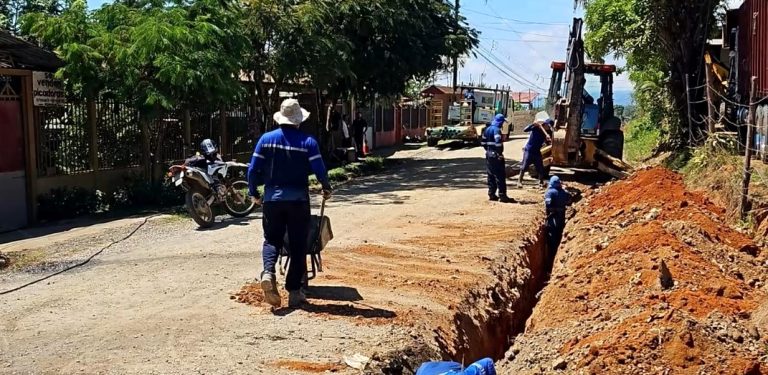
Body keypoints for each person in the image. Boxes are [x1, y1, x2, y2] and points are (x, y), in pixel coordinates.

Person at [248, 98, 332, 309]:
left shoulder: (265, 140)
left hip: (272, 201)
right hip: (298, 201)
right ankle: (294, 292)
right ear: (298, 121)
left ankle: (268, 273)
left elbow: (252, 170)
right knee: (297, 246)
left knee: (272, 240)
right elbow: (320, 169)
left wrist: (253, 193)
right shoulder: (308, 142)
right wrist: (326, 186)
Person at [482, 114, 513, 203]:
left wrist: (488, 150)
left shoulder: (487, 129)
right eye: (503, 122)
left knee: (490, 174)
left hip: (488, 154)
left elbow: (483, 143)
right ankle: (502, 195)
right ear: (501, 122)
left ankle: (491, 194)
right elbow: (498, 142)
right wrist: (499, 153)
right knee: (500, 175)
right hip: (496, 155)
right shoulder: (496, 130)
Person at [517, 111, 552, 188]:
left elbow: (549, 142)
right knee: (524, 167)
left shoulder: (547, 132)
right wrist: (533, 124)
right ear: (545, 124)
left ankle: (541, 182)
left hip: (537, 151)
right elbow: (525, 130)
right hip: (529, 150)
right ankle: (519, 182)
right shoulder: (536, 128)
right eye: (548, 126)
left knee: (540, 167)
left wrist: (548, 140)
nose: (549, 127)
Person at [544, 175, 571, 272]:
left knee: (551, 242)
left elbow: (548, 204)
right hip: (561, 219)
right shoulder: (564, 192)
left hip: (553, 220)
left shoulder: (550, 192)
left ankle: (550, 264)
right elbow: (569, 201)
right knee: (558, 236)